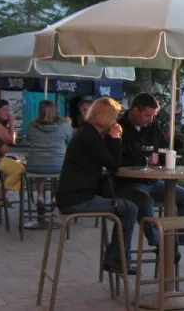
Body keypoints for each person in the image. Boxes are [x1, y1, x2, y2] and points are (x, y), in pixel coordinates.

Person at [55, 97, 137, 274]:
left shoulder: (87, 133)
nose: (116, 121)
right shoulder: (90, 137)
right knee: (130, 209)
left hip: (69, 196)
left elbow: (105, 157)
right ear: (106, 118)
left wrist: (110, 139)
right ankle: (117, 260)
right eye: (114, 117)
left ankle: (116, 258)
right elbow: (113, 164)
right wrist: (115, 138)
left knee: (124, 205)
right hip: (78, 199)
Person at [116, 93, 184, 256]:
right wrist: (144, 158)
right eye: (147, 115)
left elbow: (163, 147)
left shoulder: (152, 126)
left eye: (153, 115)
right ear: (135, 111)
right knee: (144, 202)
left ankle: (176, 242)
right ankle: (160, 242)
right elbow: (117, 159)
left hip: (152, 181)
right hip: (128, 183)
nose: (151, 119)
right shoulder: (118, 128)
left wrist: (163, 157)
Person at [25, 100, 73, 225]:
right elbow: (70, 137)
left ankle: (40, 196)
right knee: (65, 172)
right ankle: (55, 198)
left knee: (41, 168)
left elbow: (29, 137)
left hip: (35, 165)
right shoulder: (63, 126)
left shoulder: (31, 126)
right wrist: (68, 124)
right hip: (58, 165)